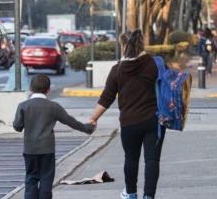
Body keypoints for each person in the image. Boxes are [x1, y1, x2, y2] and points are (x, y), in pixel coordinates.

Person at [88, 29, 166, 199]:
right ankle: (149, 196)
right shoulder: (154, 63)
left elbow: (106, 98)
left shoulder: (117, 70)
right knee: (152, 160)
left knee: (131, 159)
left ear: (124, 46)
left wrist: (93, 118)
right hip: (153, 120)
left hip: (129, 123)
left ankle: (130, 193)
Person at [13, 74, 94, 199]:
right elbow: (70, 121)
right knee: (46, 179)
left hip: (30, 150)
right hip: (47, 150)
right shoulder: (53, 106)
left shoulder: (23, 106)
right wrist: (87, 128)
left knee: (31, 179)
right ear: (48, 89)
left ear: (30, 88)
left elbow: (17, 127)